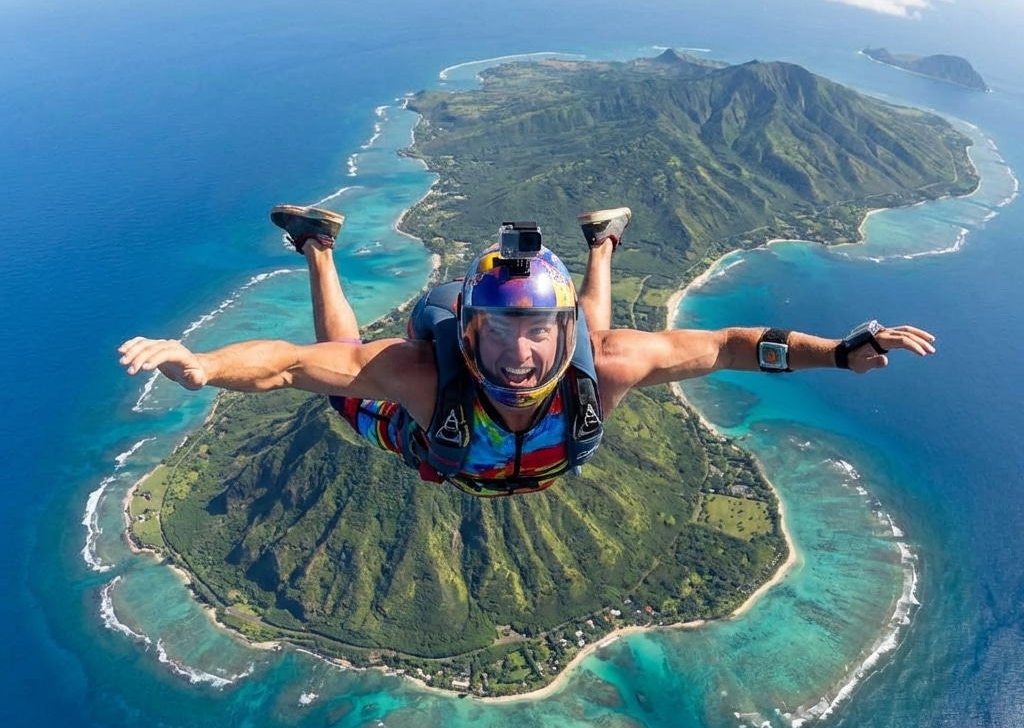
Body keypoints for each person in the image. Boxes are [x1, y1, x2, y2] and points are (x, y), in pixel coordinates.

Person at [118, 204, 936, 496]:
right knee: (343, 378)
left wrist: (841, 352)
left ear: (560, 333)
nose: (518, 355)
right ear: (467, 331)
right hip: (445, 442)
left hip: (510, 438)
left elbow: (730, 344)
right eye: (499, 331)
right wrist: (204, 367)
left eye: (538, 331)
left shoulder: (597, 360)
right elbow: (290, 365)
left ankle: (602, 242)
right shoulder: (421, 381)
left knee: (603, 347)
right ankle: (319, 247)